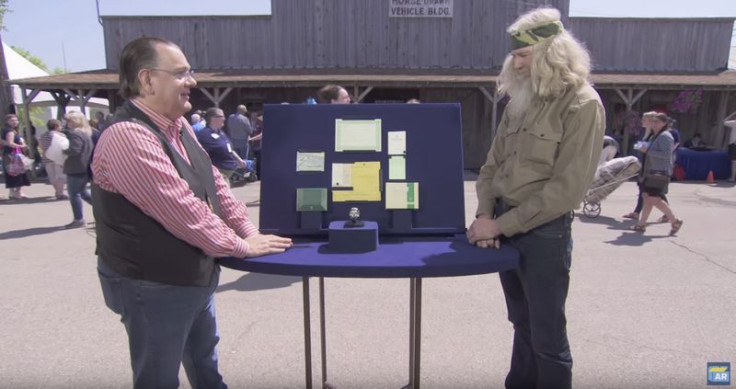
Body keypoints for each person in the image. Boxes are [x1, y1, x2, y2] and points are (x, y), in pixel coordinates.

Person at [91, 36, 292, 389]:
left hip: (190, 278)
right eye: (181, 73)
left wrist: (247, 229)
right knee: (158, 378)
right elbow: (182, 210)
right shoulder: (128, 136)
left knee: (204, 365)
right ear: (148, 80)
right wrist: (243, 247)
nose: (193, 82)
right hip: (151, 284)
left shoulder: (178, 126)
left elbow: (212, 181)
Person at [466, 8, 604, 388]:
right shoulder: (519, 101)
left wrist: (499, 224)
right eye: (515, 54)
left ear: (551, 52)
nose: (516, 61)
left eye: (524, 54)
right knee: (520, 323)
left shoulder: (582, 103)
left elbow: (567, 190)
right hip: (503, 225)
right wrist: (484, 216)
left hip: (544, 233)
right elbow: (491, 168)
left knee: (547, 336)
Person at [629, 112, 683, 235]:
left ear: (664, 123)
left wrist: (647, 150)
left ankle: (675, 220)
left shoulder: (665, 136)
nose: (654, 124)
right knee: (647, 197)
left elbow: (666, 155)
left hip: (659, 172)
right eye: (653, 121)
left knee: (653, 198)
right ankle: (641, 224)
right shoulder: (656, 136)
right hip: (651, 171)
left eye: (657, 121)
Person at [622, 111, 669, 222]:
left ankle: (670, 216)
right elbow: (644, 145)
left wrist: (645, 149)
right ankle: (639, 215)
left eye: (645, 119)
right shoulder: (648, 133)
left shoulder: (659, 135)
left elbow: (662, 153)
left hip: (653, 167)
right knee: (646, 191)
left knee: (652, 192)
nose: (642, 121)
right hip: (645, 164)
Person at [197, 107, 248, 183]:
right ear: (213, 118)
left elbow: (229, 149)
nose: (224, 118)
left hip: (228, 172)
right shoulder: (204, 135)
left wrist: (239, 160)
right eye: (222, 116)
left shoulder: (221, 133)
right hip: (217, 174)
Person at [63, 111, 94, 229]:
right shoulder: (85, 132)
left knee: (74, 194)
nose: (67, 123)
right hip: (84, 166)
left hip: (75, 168)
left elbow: (75, 150)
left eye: (69, 120)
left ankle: (79, 219)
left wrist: (63, 150)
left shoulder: (75, 134)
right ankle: (104, 211)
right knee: (83, 193)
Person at [2, 114, 31, 199]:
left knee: (11, 173)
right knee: (18, 172)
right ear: (7, 122)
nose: (15, 122)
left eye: (16, 120)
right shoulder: (10, 131)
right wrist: (23, 146)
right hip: (14, 154)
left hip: (8, 154)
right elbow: (10, 143)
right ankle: (18, 192)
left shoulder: (5, 130)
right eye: (12, 120)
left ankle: (12, 192)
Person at [39, 119, 68, 200]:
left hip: (46, 158)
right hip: (57, 157)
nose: (61, 127)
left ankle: (57, 191)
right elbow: (64, 146)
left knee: (52, 176)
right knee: (59, 176)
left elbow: (41, 145)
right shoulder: (60, 135)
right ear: (56, 126)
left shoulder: (43, 135)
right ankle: (60, 193)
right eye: (60, 126)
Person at [724, 112, 736, 181]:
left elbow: (724, 121)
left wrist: (732, 114)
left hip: (733, 144)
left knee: (734, 162)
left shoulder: (734, 123)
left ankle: (733, 178)